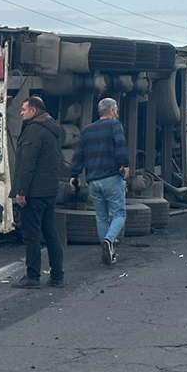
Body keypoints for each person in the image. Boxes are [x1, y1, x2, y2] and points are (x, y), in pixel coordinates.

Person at [10, 96, 64, 289]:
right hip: (49, 190)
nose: (21, 112)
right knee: (50, 232)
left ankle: (32, 276)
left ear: (33, 111)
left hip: (34, 192)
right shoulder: (53, 129)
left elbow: (27, 163)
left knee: (32, 234)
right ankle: (57, 275)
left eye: (24, 109)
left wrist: (21, 191)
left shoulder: (33, 130)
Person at [69, 97, 130, 266]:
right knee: (119, 214)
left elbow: (79, 154)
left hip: (93, 181)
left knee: (101, 217)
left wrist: (74, 174)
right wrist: (124, 164)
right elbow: (120, 145)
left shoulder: (87, 130)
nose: (117, 112)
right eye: (116, 109)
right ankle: (109, 240)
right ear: (111, 111)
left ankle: (107, 251)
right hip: (111, 176)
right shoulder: (114, 125)